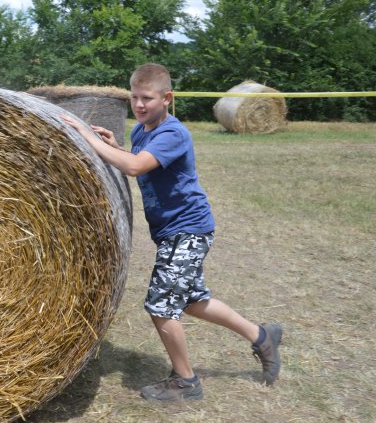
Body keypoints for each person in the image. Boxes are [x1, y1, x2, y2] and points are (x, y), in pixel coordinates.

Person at [61, 63, 282, 402]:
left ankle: (186, 381)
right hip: (173, 232)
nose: (139, 105)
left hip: (188, 230)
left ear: (166, 98)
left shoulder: (173, 133)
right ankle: (261, 335)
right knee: (192, 301)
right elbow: (138, 160)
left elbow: (135, 167)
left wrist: (88, 137)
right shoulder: (143, 132)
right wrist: (116, 147)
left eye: (147, 98)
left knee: (161, 306)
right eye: (134, 97)